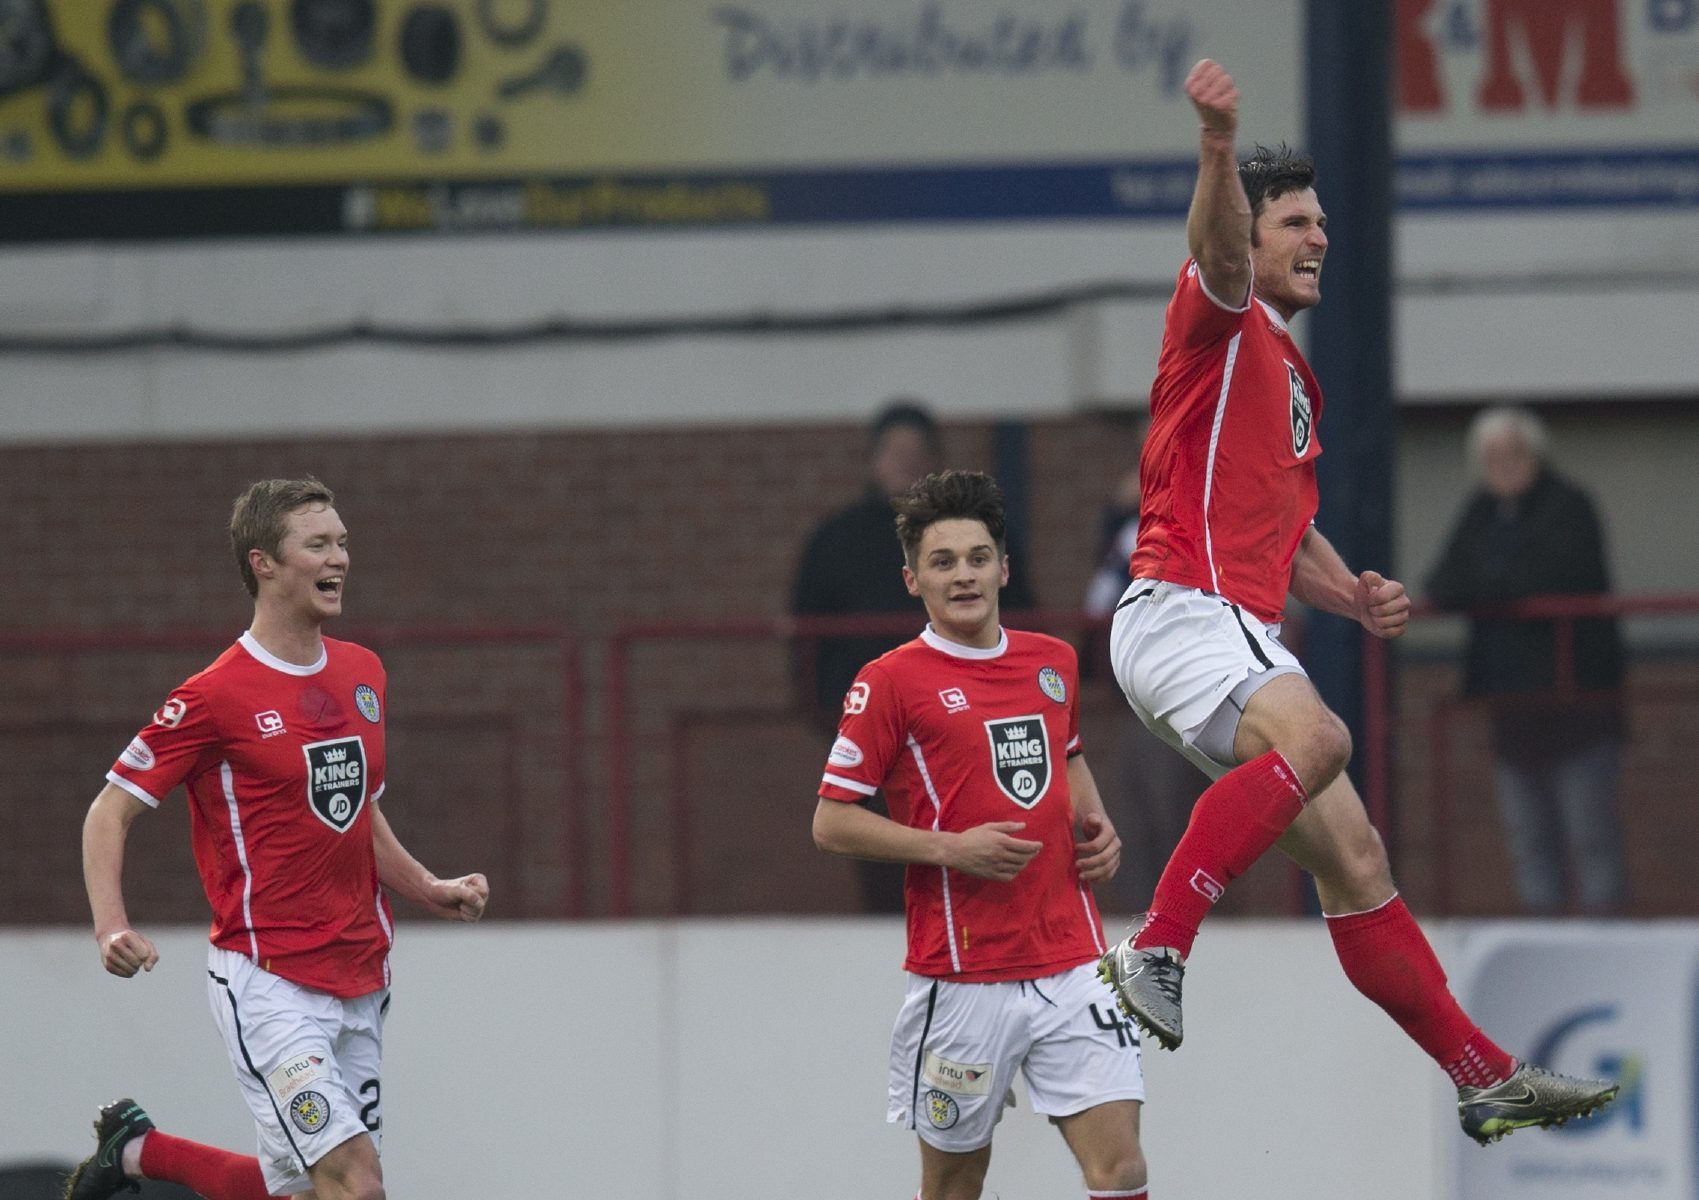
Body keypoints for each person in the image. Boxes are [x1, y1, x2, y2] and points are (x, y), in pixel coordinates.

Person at [1095, 58, 1618, 1146]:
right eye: (1295, 221)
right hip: (1181, 610)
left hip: (1224, 624)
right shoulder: (1221, 314)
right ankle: (1159, 944)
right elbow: (1217, 247)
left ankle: (1480, 1075)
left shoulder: (1287, 371)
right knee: (1322, 735)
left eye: (1320, 220)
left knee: (1356, 854)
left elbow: (1280, 531)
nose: (1317, 237)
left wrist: (1348, 591)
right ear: (1253, 230)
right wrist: (1216, 146)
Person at [66, 477, 490, 1200]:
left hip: (362, 971)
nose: (341, 558)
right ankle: (140, 1151)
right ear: (263, 563)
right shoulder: (212, 695)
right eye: (318, 544)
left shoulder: (364, 672)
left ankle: (138, 1151)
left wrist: (427, 886)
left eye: (343, 542)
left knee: (302, 1190)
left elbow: (355, 813)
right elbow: (109, 811)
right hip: (271, 982)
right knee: (355, 1182)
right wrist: (111, 928)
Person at [812, 470, 1150, 1200]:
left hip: (1072, 960)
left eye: (975, 557)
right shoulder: (889, 681)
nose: (962, 574)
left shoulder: (1051, 661)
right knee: (956, 1184)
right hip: (963, 977)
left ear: (1002, 566)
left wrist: (1096, 826)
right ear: (913, 580)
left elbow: (1064, 753)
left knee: (1120, 1168)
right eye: (942, 562)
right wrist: (949, 848)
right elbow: (831, 821)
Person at [793, 400, 1035, 913]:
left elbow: (1021, 617)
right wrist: (824, 710)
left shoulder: (975, 539)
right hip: (880, 734)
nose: (905, 463)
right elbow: (804, 635)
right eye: (893, 452)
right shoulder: (837, 540)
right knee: (889, 866)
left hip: (972, 726)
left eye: (916, 453)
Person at [1425, 406, 1630, 916]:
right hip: (1512, 711)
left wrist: (1491, 585)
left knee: (1591, 840)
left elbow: (1559, 574)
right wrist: (1498, 585)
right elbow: (1443, 582)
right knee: (1529, 842)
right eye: (1492, 457)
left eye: (1513, 454)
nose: (1504, 466)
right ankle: (1547, 951)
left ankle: (1610, 952)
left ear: (1536, 456)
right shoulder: (1481, 511)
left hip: (1576, 706)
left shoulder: (1569, 506)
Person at [1083, 462, 1203, 915]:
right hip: (1135, 704)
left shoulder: (1195, 524)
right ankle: (1144, 930)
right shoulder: (1131, 529)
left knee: (1174, 823)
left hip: (1183, 700)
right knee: (1130, 824)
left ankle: (1183, 926)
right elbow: (1100, 599)